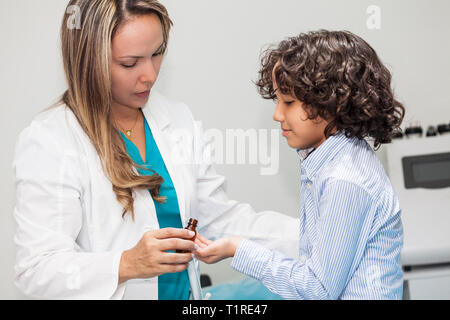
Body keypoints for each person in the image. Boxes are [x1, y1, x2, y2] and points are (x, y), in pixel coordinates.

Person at [12, 0, 298, 300]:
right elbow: (36, 270)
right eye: (129, 63)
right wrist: (126, 263)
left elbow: (218, 220)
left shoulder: (175, 117)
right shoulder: (50, 140)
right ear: (89, 62)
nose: (150, 75)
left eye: (157, 53)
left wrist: (317, 236)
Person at [194, 30, 406, 300]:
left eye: (289, 102)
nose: (277, 114)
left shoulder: (345, 179)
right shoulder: (330, 162)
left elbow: (316, 289)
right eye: (277, 101)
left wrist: (239, 249)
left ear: (333, 101)